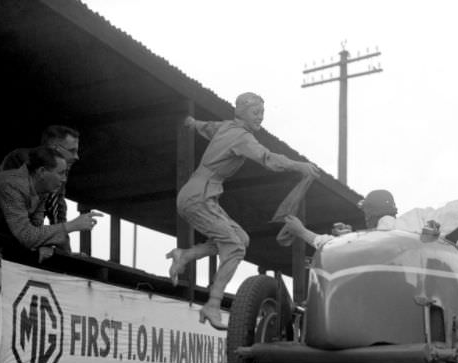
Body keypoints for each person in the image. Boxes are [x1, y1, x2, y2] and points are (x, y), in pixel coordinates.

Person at [165, 92, 320, 330]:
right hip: (200, 197)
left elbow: (206, 127)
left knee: (241, 239)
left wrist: (191, 123)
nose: (260, 118)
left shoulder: (227, 127)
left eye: (262, 113)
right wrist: (299, 165)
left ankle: (185, 255)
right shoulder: (241, 137)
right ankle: (213, 304)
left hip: (199, 194)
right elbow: (268, 158)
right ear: (241, 112)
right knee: (235, 246)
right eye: (255, 113)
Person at [0, 125, 81, 229]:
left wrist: (62, 238)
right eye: (72, 151)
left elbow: (58, 208)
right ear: (55, 149)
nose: (76, 157)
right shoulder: (21, 159)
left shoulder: (59, 171)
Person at [283, 189, 398, 248]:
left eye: (366, 211)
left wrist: (301, 231)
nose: (365, 217)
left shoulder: (386, 229)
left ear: (372, 212)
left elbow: (330, 246)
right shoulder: (397, 229)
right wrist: (350, 236)